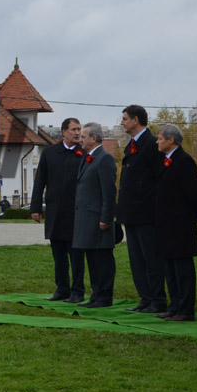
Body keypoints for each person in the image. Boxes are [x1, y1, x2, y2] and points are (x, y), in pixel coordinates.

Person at [117, 105, 167, 314]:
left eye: (125, 118)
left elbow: (160, 179)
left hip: (147, 213)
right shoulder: (132, 145)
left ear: (135, 120)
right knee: (137, 260)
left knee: (151, 259)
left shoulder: (152, 144)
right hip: (132, 213)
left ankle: (157, 299)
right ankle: (145, 298)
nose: (122, 122)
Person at [30, 118, 86, 303]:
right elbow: (40, 181)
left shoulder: (84, 154)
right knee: (59, 254)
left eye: (79, 129)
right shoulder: (50, 153)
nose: (77, 132)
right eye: (73, 129)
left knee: (76, 255)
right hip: (55, 211)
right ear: (63, 132)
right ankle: (62, 288)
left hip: (76, 213)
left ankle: (78, 291)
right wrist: (36, 207)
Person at [153, 124, 197, 321]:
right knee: (169, 269)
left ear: (171, 140)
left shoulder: (184, 161)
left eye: (160, 138)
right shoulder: (167, 161)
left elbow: (193, 194)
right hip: (166, 225)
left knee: (182, 269)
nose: (157, 141)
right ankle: (175, 306)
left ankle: (186, 309)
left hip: (180, 226)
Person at [73, 123, 117, 309]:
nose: (80, 139)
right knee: (92, 258)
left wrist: (106, 218)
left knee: (102, 260)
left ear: (93, 138)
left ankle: (104, 296)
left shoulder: (104, 158)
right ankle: (96, 295)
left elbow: (108, 192)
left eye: (83, 136)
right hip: (87, 219)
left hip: (98, 219)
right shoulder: (88, 158)